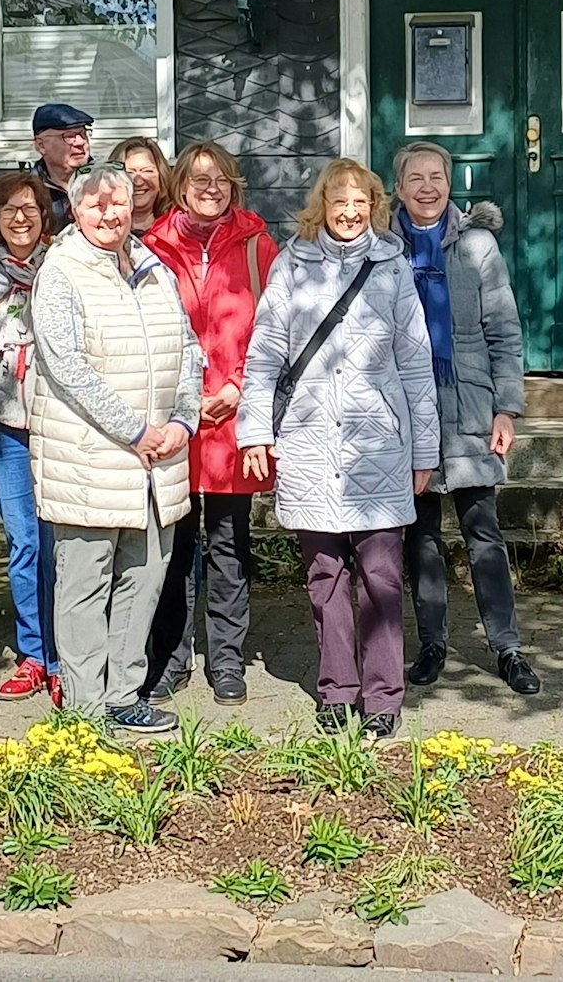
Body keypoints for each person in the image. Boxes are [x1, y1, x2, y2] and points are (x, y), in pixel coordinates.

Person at [238, 158, 439, 740]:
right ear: (321, 206)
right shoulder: (291, 265)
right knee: (325, 574)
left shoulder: (392, 267)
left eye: (359, 202)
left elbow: (416, 363)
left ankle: (382, 695)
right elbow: (265, 355)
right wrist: (255, 431)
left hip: (377, 442)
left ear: (374, 205)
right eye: (338, 201)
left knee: (380, 573)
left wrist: (425, 449)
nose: (349, 212)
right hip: (308, 443)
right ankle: (336, 690)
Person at [28, 162, 203, 734]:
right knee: (84, 585)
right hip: (91, 459)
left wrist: (181, 420)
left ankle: (125, 694)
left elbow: (188, 348)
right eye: (96, 205)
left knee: (146, 576)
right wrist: (135, 430)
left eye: (118, 204)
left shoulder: (154, 269)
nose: (109, 214)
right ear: (75, 211)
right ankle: (84, 708)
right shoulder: (61, 270)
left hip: (159, 462)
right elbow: (67, 367)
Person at [388, 142, 539, 696]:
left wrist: (507, 407)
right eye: (415, 179)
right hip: (407, 408)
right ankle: (432, 643)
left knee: (483, 530)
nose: (427, 188)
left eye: (437, 177)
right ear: (398, 188)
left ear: (450, 184)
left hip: (471, 403)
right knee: (421, 534)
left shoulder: (477, 245)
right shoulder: (384, 247)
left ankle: (507, 646)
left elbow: (504, 329)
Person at [139, 141, 280, 706]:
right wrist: (185, 396)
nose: (210, 187)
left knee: (228, 543)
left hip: (233, 419)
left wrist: (238, 388)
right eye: (199, 178)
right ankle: (170, 658)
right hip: (175, 418)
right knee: (170, 545)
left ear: (234, 185)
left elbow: (274, 332)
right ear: (180, 185)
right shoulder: (151, 248)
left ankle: (227, 659)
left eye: (221, 178)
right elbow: (146, 332)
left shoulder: (257, 245)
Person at [0, 172, 61, 705]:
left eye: (30, 208)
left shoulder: (66, 262)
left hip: (62, 425)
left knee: (63, 545)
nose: (20, 218)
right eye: (9, 210)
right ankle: (33, 655)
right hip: (9, 425)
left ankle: (67, 654)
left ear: (45, 215)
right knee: (24, 542)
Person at [31, 103, 95, 229]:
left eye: (83, 134)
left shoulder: (106, 182)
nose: (81, 142)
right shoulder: (28, 191)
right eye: (69, 136)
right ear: (41, 145)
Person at [112, 137, 175, 235]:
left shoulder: (176, 229)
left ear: (161, 178)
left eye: (147, 171)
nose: (138, 182)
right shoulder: (104, 230)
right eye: (129, 172)